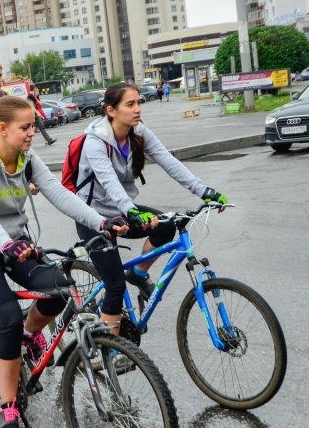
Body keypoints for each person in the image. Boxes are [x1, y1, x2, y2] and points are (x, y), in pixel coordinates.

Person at [0, 94, 128, 428]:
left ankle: (30, 338)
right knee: (6, 317)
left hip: (15, 243)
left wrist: (100, 222)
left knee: (62, 288)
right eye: (26, 127)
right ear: (2, 129)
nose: (33, 132)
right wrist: (5, 243)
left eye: (33, 125)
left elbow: (60, 194)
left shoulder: (27, 159)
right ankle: (8, 408)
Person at [75, 82, 228, 340]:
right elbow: (110, 182)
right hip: (94, 216)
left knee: (167, 224)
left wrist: (204, 191)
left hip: (124, 210)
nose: (137, 109)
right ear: (111, 110)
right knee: (114, 285)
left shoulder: (139, 132)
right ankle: (112, 350)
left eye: (138, 103)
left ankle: (138, 272)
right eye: (130, 104)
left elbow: (168, 160)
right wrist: (131, 210)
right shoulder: (95, 142)